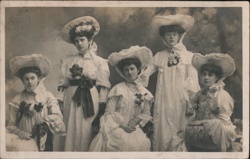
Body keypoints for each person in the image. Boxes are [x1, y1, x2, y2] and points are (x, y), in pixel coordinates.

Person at [140, 14, 200, 151]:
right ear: (163, 37)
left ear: (180, 36)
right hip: (164, 100)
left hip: (181, 99)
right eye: (168, 35)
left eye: (174, 34)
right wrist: (140, 79)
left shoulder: (188, 56)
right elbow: (146, 72)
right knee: (163, 126)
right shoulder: (159, 56)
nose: (171, 37)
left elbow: (193, 78)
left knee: (180, 126)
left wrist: (191, 100)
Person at [54, 16, 111, 151]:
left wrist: (101, 111)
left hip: (90, 99)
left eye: (82, 40)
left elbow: (103, 88)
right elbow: (63, 83)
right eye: (76, 41)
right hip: (71, 98)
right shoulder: (69, 61)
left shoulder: (99, 62)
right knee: (70, 126)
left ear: (90, 40)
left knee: (86, 127)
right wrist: (59, 103)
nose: (79, 44)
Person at [89, 46, 154, 151]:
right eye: (126, 70)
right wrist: (123, 126)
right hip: (116, 127)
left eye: (132, 69)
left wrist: (136, 120)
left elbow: (146, 113)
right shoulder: (117, 90)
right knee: (119, 143)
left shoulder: (145, 92)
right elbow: (109, 113)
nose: (129, 72)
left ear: (138, 70)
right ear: (123, 72)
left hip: (134, 128)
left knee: (141, 143)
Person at [6, 54, 66, 151]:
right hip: (24, 140)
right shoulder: (17, 99)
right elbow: (11, 125)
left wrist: (43, 120)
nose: (30, 82)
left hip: (43, 139)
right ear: (23, 80)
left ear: (38, 79)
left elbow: (58, 116)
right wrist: (21, 133)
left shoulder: (47, 96)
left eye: (32, 78)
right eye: (26, 79)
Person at [184, 53, 236, 152]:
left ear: (217, 77)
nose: (206, 77)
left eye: (210, 75)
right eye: (204, 74)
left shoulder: (222, 95)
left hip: (216, 135)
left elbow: (224, 120)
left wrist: (211, 125)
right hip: (201, 135)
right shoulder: (199, 94)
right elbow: (193, 112)